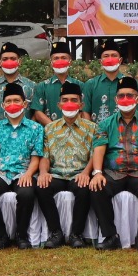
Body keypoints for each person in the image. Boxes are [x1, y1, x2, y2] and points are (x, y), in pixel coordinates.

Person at [88, 76, 138, 251]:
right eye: (121, 96)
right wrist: (97, 172)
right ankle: (110, 236)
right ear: (115, 100)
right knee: (97, 188)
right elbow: (99, 147)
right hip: (114, 173)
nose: (125, 99)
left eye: (130, 95)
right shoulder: (105, 124)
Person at [0, 81, 46, 249]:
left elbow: (36, 156)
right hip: (1, 173)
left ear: (24, 104)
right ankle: (0, 236)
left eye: (16, 100)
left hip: (24, 172)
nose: (12, 104)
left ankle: (22, 236)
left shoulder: (36, 128)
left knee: (27, 194)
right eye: (8, 101)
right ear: (3, 105)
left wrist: (29, 174)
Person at [35, 80, 98, 248]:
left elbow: (94, 155)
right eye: (65, 100)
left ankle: (76, 234)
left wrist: (86, 173)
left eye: (74, 100)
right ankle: (56, 233)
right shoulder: (49, 129)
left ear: (81, 104)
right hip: (56, 173)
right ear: (59, 104)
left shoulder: (92, 128)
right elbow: (45, 156)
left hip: (79, 173)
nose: (69, 104)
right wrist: (43, 172)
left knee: (85, 189)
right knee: (42, 187)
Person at [0, 42, 40, 124]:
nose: (9, 61)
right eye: (5, 59)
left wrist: (29, 131)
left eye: (13, 58)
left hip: (26, 134)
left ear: (19, 61)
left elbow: (36, 112)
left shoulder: (31, 86)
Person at [32, 41, 80, 121]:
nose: (60, 61)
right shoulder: (42, 86)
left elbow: (82, 111)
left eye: (63, 58)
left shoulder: (79, 85)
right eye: (56, 58)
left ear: (70, 62)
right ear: (51, 63)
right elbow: (38, 112)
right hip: (49, 131)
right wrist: (54, 129)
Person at [82, 41, 127, 123]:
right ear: (100, 61)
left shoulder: (130, 83)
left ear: (120, 60)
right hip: (97, 133)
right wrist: (92, 133)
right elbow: (85, 112)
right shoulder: (90, 85)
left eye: (114, 55)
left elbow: (137, 112)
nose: (110, 59)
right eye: (106, 56)